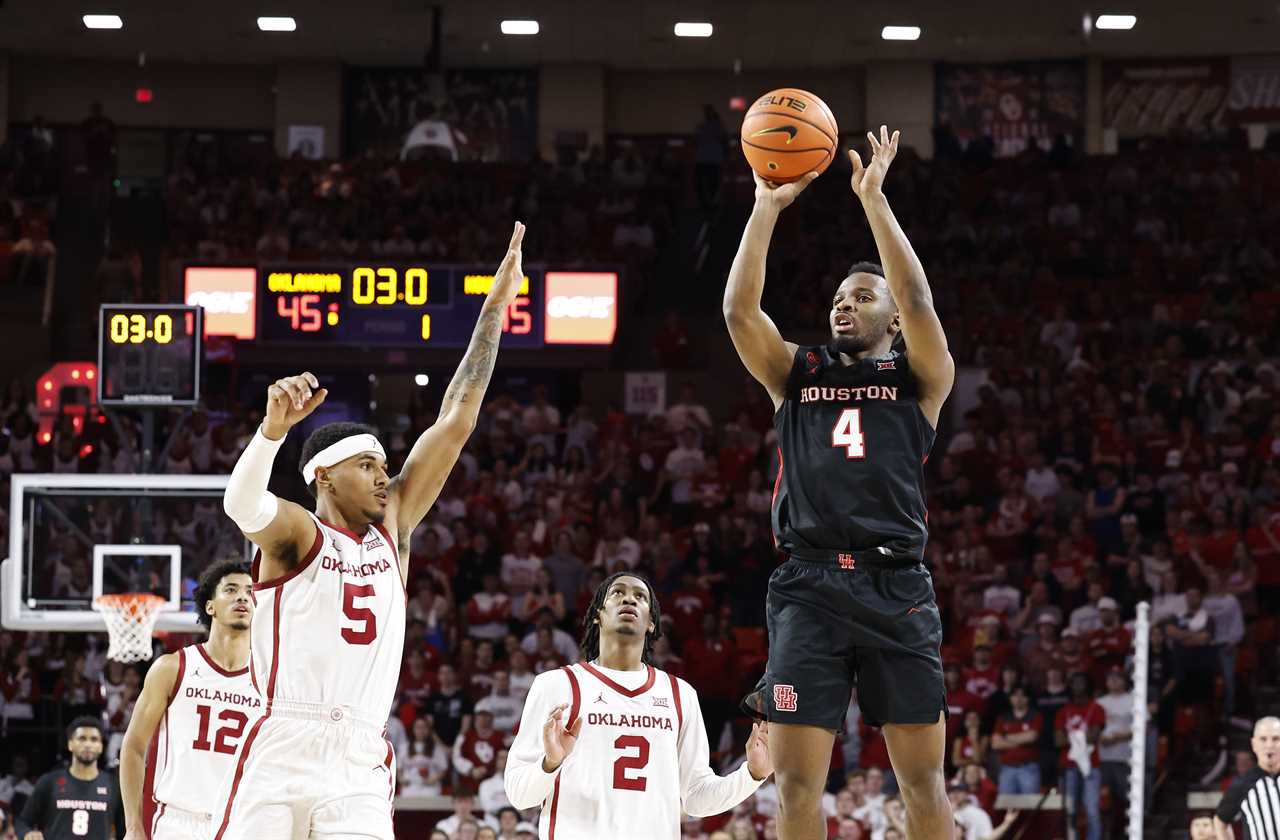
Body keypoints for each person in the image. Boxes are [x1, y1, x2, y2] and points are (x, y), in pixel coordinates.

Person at [214, 222, 529, 840]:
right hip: (282, 742)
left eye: (386, 465)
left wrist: (495, 308)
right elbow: (241, 502)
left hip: (360, 754)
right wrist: (271, 432)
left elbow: (458, 416)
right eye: (368, 466)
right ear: (325, 477)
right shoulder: (297, 535)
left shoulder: (394, 528)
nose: (386, 478)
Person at [724, 125, 955, 840]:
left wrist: (873, 201)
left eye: (861, 297)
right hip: (809, 588)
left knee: (921, 783)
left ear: (890, 319)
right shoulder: (797, 375)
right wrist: (766, 205)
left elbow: (916, 298)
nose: (844, 305)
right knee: (797, 789)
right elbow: (739, 311)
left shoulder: (920, 378)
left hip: (896, 587)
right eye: (838, 297)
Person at [504, 572, 771, 838]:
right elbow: (518, 794)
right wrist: (551, 763)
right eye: (617, 593)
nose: (629, 600)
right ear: (598, 614)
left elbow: (697, 797)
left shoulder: (680, 694)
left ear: (652, 623)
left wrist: (752, 774)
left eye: (640, 597)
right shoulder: (556, 685)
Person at [119, 560, 257, 840]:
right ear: (210, 606)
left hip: (242, 825)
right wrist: (133, 826)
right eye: (231, 590)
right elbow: (133, 747)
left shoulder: (272, 679)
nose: (243, 596)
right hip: (177, 823)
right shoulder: (172, 668)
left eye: (250, 591)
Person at [17, 717, 123, 840]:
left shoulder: (113, 785)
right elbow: (22, 822)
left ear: (100, 746)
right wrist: (27, 834)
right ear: (70, 744)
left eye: (94, 740)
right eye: (82, 738)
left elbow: (124, 831)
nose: (88, 744)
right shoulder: (49, 782)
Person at [1054, 674, 1104, 840]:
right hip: (1068, 766)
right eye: (1074, 683)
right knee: (1070, 810)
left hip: (1091, 766)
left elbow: (1094, 736)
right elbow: (1058, 740)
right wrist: (1082, 736)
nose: (1078, 686)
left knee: (1092, 810)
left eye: (1081, 682)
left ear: (1088, 685)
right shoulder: (1063, 711)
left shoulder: (1096, 708)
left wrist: (1071, 736)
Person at [1214, 716, 1280, 840]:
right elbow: (1220, 822)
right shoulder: (1242, 784)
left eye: (1276, 739)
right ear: (1254, 744)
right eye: (1263, 739)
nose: (1269, 745)